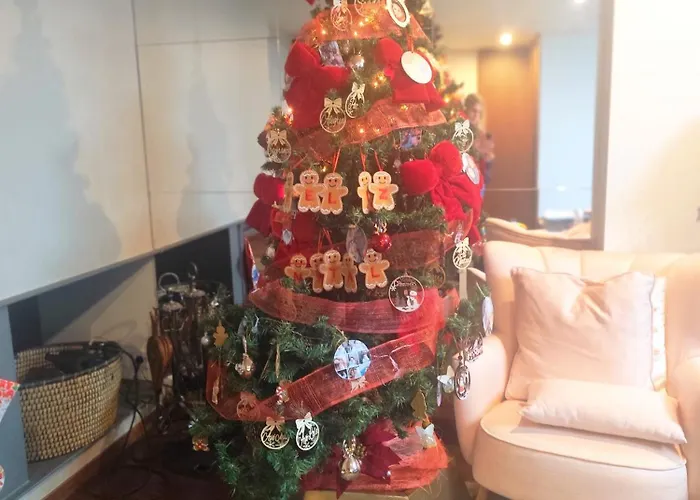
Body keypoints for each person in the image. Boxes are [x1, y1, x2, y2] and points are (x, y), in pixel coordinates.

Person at [464, 94, 495, 199]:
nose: (476, 115)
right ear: (466, 110)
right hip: (464, 181)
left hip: (479, 182)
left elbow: (487, 174)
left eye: (479, 112)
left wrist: (488, 160)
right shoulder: (460, 131)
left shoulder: (482, 135)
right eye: (474, 111)